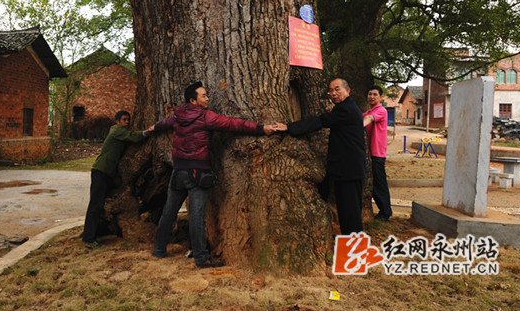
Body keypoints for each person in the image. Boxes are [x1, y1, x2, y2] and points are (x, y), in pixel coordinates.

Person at [149, 81, 276, 268]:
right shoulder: (206, 117)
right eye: (204, 95)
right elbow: (234, 124)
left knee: (169, 212)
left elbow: (164, 123)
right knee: (197, 217)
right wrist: (260, 128)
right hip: (197, 173)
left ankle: (159, 249)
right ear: (193, 100)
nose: (207, 98)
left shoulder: (177, 115)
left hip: (178, 172)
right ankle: (201, 258)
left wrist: (153, 127)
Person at [274, 78, 366, 235]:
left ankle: (355, 250)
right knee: (348, 210)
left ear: (347, 90)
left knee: (350, 212)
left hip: (349, 171)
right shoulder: (347, 107)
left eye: (337, 89)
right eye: (331, 90)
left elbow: (321, 121)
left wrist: (289, 127)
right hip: (349, 169)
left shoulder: (345, 109)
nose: (333, 93)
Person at [82, 110, 150, 248]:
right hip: (101, 171)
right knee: (95, 205)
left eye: (128, 120)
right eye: (124, 120)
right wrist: (146, 132)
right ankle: (88, 238)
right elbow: (133, 137)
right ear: (117, 121)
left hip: (106, 173)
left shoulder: (118, 131)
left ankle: (97, 232)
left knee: (103, 203)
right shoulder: (116, 130)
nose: (126, 123)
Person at [363, 85, 393, 221]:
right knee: (373, 183)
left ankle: (386, 212)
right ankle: (383, 211)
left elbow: (369, 119)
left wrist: (358, 126)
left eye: (375, 94)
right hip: (371, 154)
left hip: (378, 154)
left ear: (381, 97)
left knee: (380, 183)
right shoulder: (369, 110)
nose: (372, 96)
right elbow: (362, 116)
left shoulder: (381, 111)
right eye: (370, 94)